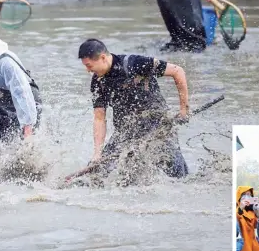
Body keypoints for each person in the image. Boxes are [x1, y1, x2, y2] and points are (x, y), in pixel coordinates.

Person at [77, 39, 189, 179]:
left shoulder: (134, 63)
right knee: (98, 171)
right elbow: (99, 118)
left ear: (103, 58)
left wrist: (184, 110)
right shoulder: (98, 82)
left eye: (89, 65)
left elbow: (177, 71)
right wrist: (97, 153)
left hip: (157, 126)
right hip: (126, 131)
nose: (87, 70)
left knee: (178, 175)